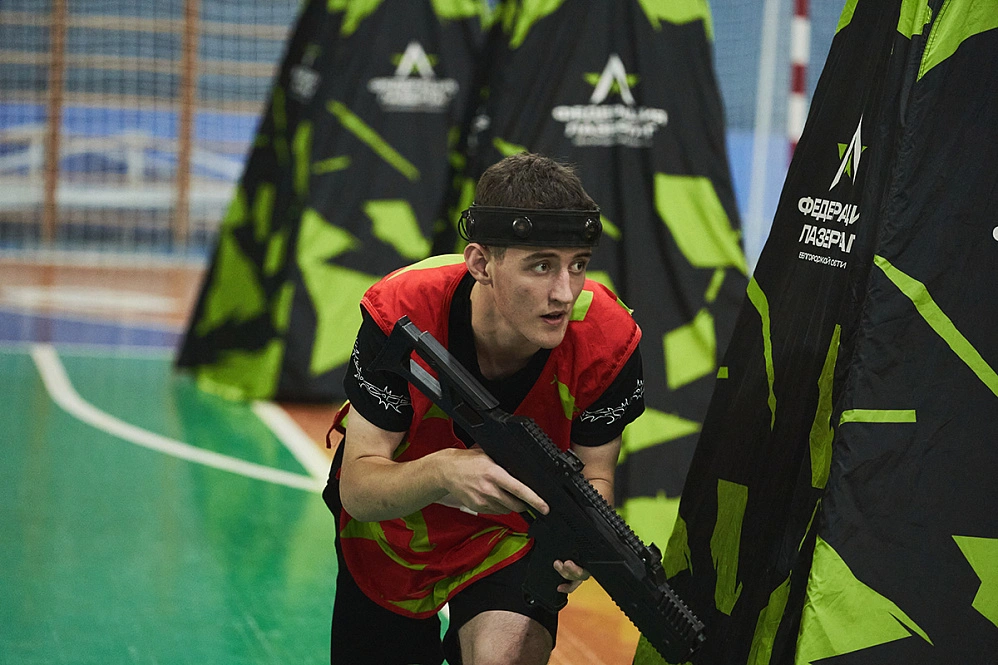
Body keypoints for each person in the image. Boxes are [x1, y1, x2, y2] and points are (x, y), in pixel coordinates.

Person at [323, 152, 645, 665]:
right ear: (480, 264)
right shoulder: (403, 311)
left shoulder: (609, 340)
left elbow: (597, 478)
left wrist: (583, 540)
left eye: (578, 265)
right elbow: (359, 489)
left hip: (509, 534)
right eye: (541, 265)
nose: (565, 293)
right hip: (393, 527)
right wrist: (445, 471)